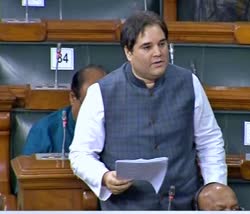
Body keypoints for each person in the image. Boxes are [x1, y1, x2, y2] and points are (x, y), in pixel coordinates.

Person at [69, 10, 227, 210]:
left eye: (162, 44)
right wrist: (104, 177)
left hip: (183, 203)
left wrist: (213, 189)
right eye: (147, 47)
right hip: (127, 206)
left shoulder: (189, 83)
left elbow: (209, 141)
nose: (158, 53)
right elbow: (80, 154)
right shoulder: (101, 92)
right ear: (128, 52)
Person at [23, 64, 107, 155]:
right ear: (73, 97)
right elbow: (29, 167)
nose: (100, 112)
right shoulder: (45, 130)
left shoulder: (119, 126)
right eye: (91, 106)